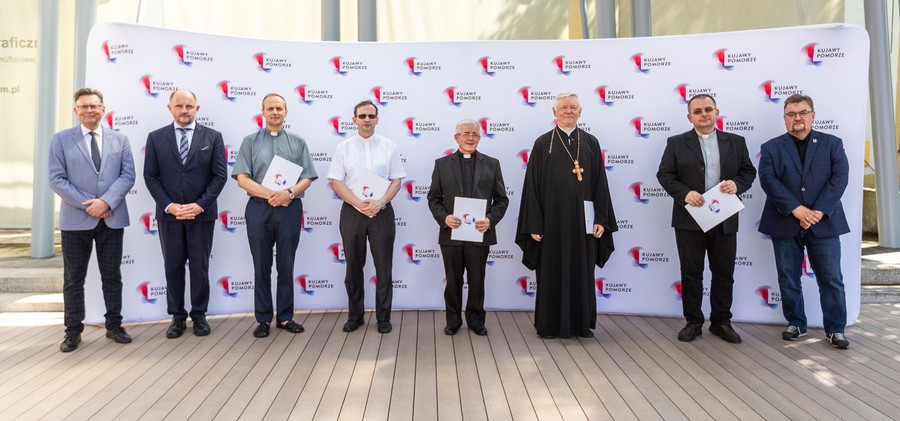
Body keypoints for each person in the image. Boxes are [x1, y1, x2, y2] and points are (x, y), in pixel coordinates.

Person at [656, 94, 757, 344]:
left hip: (724, 218)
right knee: (692, 272)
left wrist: (737, 183)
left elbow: (749, 171)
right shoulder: (676, 143)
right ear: (689, 116)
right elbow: (665, 174)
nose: (704, 114)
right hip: (689, 219)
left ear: (717, 112)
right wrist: (684, 193)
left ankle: (721, 321)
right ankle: (693, 321)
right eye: (698, 111)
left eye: (708, 109)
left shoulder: (736, 141)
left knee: (724, 272)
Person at [515, 92, 617, 339]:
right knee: (551, 272)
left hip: (585, 223)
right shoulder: (543, 144)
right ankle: (549, 325)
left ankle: (581, 325)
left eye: (573, 107)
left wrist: (602, 219)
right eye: (563, 107)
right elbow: (532, 187)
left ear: (580, 112)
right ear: (554, 112)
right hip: (552, 225)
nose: (568, 111)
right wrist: (534, 224)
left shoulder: (591, 142)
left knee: (582, 271)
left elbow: (601, 185)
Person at [758, 93, 851, 349]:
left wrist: (818, 211)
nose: (797, 118)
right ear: (785, 118)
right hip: (785, 221)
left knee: (831, 278)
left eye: (803, 113)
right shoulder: (771, 147)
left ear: (813, 115)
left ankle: (835, 329)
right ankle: (796, 323)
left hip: (825, 222)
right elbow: (769, 181)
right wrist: (796, 210)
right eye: (791, 114)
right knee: (788, 277)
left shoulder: (833, 144)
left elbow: (839, 179)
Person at [49, 88, 135, 352]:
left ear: (103, 109)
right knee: (74, 278)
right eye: (83, 107)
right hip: (76, 221)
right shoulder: (61, 140)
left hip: (112, 218)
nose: (89, 110)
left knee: (112, 276)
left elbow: (127, 175)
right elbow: (56, 179)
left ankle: (114, 326)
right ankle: (73, 331)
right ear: (76, 111)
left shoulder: (120, 140)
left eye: (94, 106)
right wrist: (90, 205)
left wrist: (106, 202)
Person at [233, 93, 318, 338]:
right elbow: (242, 179)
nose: (275, 112)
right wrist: (272, 193)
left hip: (289, 209)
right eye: (270, 108)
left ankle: (285, 317)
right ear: (263, 112)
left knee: (286, 265)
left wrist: (289, 193)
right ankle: (262, 319)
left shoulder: (298, 142)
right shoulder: (250, 141)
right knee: (261, 265)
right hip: (259, 208)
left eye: (279, 108)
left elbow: (307, 178)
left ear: (286, 112)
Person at [144, 89, 227, 338]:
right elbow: (150, 176)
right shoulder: (156, 138)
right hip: (169, 215)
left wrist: (200, 204)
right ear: (170, 108)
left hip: (201, 214)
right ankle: (177, 317)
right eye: (179, 106)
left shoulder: (213, 137)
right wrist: (170, 206)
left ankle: (199, 315)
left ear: (197, 109)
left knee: (200, 267)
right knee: (173, 266)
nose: (184, 111)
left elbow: (219, 175)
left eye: (189, 106)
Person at [327, 100, 406, 334]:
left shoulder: (389, 146)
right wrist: (357, 202)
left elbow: (397, 180)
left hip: (381, 211)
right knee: (353, 267)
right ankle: (355, 316)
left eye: (371, 116)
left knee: (384, 268)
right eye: (362, 116)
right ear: (354, 120)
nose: (367, 120)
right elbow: (335, 181)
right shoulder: (344, 147)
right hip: (353, 212)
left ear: (377, 119)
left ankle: (383, 318)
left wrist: (380, 202)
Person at [427, 119, 509, 336]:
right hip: (451, 234)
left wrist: (490, 220)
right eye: (466, 134)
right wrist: (444, 218)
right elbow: (433, 198)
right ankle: (453, 321)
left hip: (480, 233)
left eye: (475, 134)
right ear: (457, 137)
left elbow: (501, 200)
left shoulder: (492, 164)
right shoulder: (441, 164)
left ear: (480, 138)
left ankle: (476, 320)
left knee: (477, 280)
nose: (470, 138)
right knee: (453, 280)